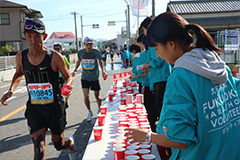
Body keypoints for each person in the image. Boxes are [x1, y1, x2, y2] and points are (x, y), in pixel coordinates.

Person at [125, 11, 240, 160]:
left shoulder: (180, 78)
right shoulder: (219, 65)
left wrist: (147, 136)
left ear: (171, 45)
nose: (158, 55)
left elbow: (179, 140)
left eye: (157, 49)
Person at [0, 18, 76, 160]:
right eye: (29, 36)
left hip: (54, 108)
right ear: (25, 36)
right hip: (35, 109)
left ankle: (70, 142)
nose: (32, 39)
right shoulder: (20, 57)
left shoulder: (54, 57)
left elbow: (68, 76)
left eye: (36, 36)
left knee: (58, 144)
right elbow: (18, 73)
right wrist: (10, 90)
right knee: (38, 149)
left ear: (44, 37)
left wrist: (68, 86)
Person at [140, 16, 172, 159]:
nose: (145, 33)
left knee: (162, 110)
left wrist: (148, 65)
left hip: (161, 79)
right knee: (160, 109)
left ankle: (164, 142)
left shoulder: (155, 40)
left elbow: (158, 60)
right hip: (159, 78)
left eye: (144, 30)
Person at [72, 36, 107, 121]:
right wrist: (75, 70)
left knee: (97, 96)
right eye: (87, 44)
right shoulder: (81, 53)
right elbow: (79, 61)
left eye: (90, 44)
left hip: (94, 77)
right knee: (86, 96)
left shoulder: (96, 52)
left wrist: (103, 71)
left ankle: (99, 108)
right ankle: (89, 111)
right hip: (85, 77)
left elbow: (100, 61)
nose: (89, 46)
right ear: (84, 44)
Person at [54, 43, 70, 108]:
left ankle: (66, 101)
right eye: (55, 49)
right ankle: (59, 102)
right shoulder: (52, 58)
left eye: (57, 49)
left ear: (60, 50)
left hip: (62, 77)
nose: (56, 50)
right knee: (57, 91)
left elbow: (68, 66)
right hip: (56, 77)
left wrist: (63, 70)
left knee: (65, 90)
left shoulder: (63, 57)